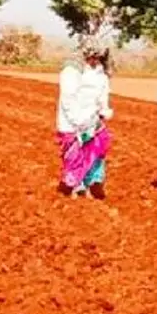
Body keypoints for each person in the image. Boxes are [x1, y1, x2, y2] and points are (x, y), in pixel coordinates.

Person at [55, 39, 113, 199]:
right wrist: (77, 120)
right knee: (74, 154)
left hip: (92, 119)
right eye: (93, 57)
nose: (95, 61)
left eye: (98, 58)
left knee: (96, 149)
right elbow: (68, 99)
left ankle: (92, 183)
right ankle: (75, 185)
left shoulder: (101, 73)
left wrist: (104, 110)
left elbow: (103, 94)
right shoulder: (71, 71)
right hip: (72, 120)